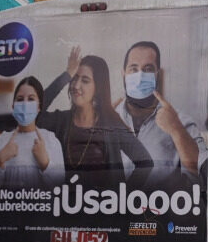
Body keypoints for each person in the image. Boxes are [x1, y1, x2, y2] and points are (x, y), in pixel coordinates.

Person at [41, 51, 153, 188]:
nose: (76, 86)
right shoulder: (61, 121)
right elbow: (33, 115)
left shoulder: (112, 123)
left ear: (98, 87)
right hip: (70, 201)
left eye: (85, 81)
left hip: (106, 201)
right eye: (74, 78)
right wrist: (66, 75)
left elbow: (145, 162)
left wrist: (124, 195)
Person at [114, 41, 207, 188]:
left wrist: (176, 130)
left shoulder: (180, 122)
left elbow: (204, 174)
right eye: (133, 69)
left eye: (148, 69)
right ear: (123, 74)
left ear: (159, 74)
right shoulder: (106, 119)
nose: (140, 76)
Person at [0, 77, 65, 188]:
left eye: (31, 99)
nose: (24, 104)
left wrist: (45, 164)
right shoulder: (2, 140)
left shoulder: (51, 140)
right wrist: (0, 161)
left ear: (39, 107)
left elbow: (60, 187)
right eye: (20, 99)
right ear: (13, 106)